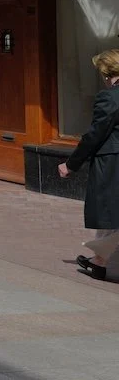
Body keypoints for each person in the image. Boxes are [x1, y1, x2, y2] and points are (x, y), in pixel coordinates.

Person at [59, 49, 119, 280]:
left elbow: (95, 135)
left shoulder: (110, 98)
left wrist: (71, 164)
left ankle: (99, 260)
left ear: (106, 73)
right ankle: (99, 260)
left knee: (109, 210)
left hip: (113, 163)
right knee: (111, 212)